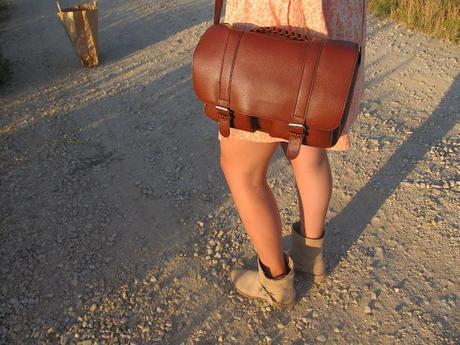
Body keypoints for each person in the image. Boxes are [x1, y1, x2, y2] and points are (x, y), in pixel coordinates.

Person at [218, 0, 366, 310]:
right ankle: (309, 258)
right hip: (331, 26)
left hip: (268, 25)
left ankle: (276, 282)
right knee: (308, 145)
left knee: (242, 170)